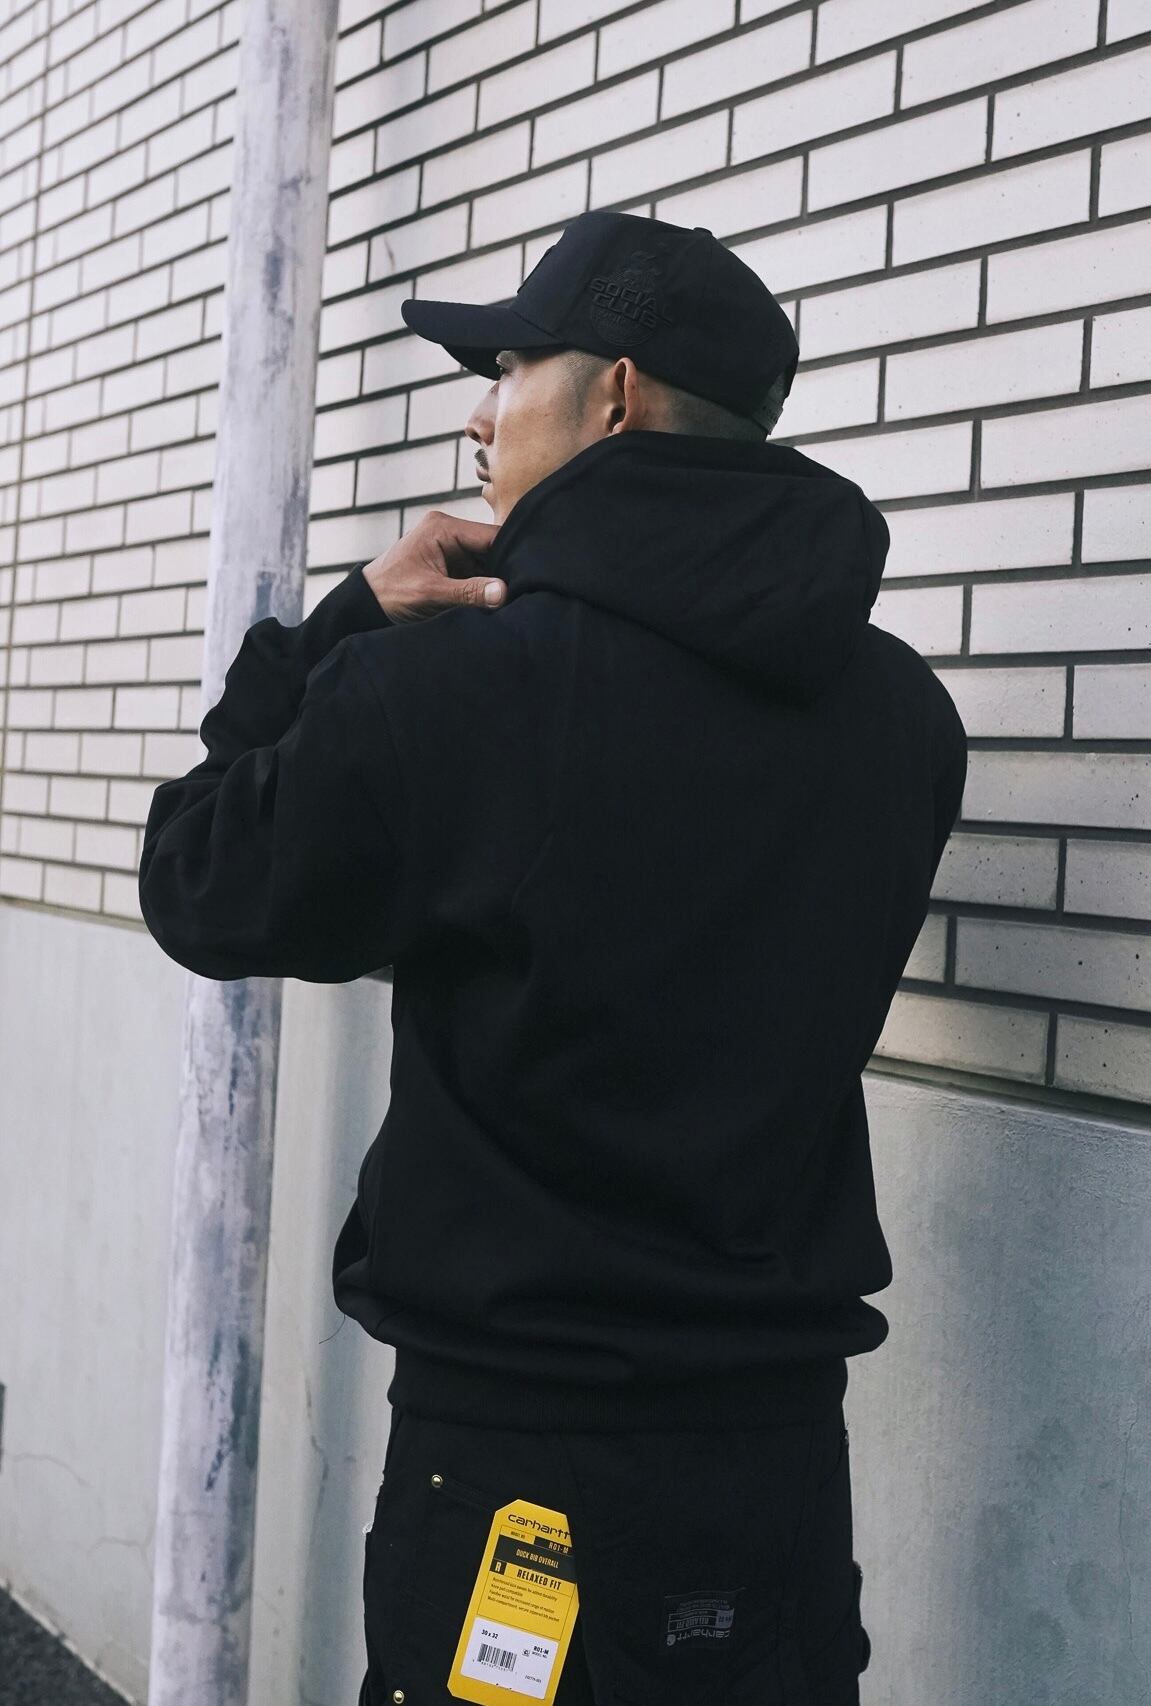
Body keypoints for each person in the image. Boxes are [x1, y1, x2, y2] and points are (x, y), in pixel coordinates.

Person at [139, 208, 969, 1705]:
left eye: (509, 368)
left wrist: (342, 626)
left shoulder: (449, 688)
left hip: (519, 1467)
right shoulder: (906, 718)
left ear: (615, 396)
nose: (479, 411)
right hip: (776, 1467)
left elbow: (201, 882)